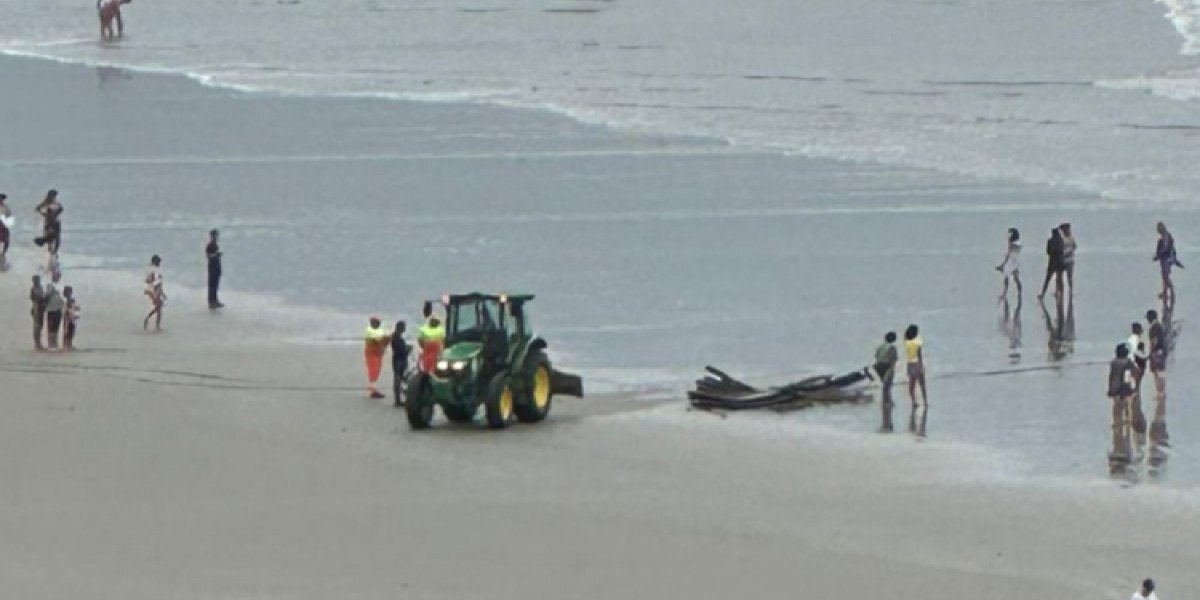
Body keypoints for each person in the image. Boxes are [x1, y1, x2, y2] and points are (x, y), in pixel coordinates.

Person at [873, 332, 899, 432]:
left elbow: (876, 357)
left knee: (885, 385)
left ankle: (887, 401)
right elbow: (893, 361)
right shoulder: (892, 348)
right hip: (886, 366)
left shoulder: (880, 346)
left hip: (878, 366)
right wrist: (891, 370)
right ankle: (886, 402)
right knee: (888, 385)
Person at [1153, 222, 1182, 305]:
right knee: (1164, 276)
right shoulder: (1165, 236)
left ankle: (1170, 293)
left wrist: (1158, 255)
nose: (1157, 230)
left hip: (1167, 259)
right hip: (1166, 258)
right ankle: (1165, 292)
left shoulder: (1166, 236)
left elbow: (1165, 248)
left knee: (1165, 276)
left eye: (1158, 229)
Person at [363, 316, 391, 399]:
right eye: (375, 322)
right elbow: (376, 340)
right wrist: (384, 341)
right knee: (373, 370)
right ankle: (373, 390)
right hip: (372, 352)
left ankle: (373, 388)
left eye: (378, 322)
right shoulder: (369, 330)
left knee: (377, 370)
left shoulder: (380, 330)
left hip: (378, 352)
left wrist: (385, 342)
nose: (377, 323)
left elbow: (383, 340)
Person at [995, 227, 1022, 300]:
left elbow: (1009, 253)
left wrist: (1003, 264)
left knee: (1008, 278)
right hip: (1015, 261)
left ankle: (1005, 294)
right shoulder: (1018, 243)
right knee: (1015, 278)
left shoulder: (1013, 243)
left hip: (1011, 261)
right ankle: (1019, 293)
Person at [1038, 228, 1065, 301]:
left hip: (1052, 262)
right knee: (1060, 279)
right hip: (1060, 261)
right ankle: (1061, 293)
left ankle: (1043, 294)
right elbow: (1063, 251)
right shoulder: (1061, 241)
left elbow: (1048, 252)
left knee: (1047, 279)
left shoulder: (1050, 241)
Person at [34, 189, 63, 255]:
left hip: (56, 222)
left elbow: (61, 209)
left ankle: (55, 252)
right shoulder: (46, 202)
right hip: (49, 221)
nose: (55, 197)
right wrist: (44, 214)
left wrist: (56, 213)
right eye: (54, 196)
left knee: (57, 238)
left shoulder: (56, 202)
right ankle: (50, 251)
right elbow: (37, 208)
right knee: (51, 237)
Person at [904, 324, 927, 406]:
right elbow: (919, 355)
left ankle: (914, 401)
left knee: (911, 386)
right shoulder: (917, 342)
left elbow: (905, 336)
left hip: (910, 364)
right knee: (922, 385)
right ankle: (925, 401)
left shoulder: (906, 342)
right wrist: (921, 365)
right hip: (917, 363)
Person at [1146, 309, 1167, 397]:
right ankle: (1161, 391)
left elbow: (1154, 340)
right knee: (1159, 372)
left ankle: (1160, 392)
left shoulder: (1154, 328)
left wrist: (1150, 352)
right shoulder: (1159, 326)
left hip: (1156, 352)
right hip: (1161, 351)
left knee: (1157, 372)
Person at [390, 320, 412, 404]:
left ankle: (399, 398)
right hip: (399, 360)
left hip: (399, 359)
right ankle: (398, 399)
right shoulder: (396, 337)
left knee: (400, 378)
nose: (404, 329)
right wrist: (407, 349)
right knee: (398, 378)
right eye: (403, 328)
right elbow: (400, 350)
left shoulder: (396, 336)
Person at [143, 255, 165, 331]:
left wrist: (161, 292)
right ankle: (149, 320)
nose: (160, 263)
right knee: (159, 306)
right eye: (159, 262)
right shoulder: (156, 270)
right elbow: (157, 282)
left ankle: (156, 325)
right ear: (156, 262)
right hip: (154, 289)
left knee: (159, 307)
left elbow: (147, 280)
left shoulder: (149, 269)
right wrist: (158, 292)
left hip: (150, 289)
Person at [206, 229, 224, 309]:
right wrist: (216, 254)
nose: (216, 237)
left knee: (215, 285)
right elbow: (209, 256)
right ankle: (211, 302)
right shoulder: (210, 245)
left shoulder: (215, 245)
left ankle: (215, 300)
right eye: (215, 235)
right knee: (212, 285)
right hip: (212, 267)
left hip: (216, 267)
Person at [44, 283, 64, 350]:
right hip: (51, 311)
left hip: (58, 311)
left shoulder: (58, 293)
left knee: (56, 328)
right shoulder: (48, 295)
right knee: (51, 328)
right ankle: (50, 344)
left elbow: (63, 300)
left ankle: (55, 344)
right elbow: (45, 299)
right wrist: (50, 293)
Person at [29, 275, 46, 351]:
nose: (37, 281)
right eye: (36, 280)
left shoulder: (41, 287)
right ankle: (37, 344)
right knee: (37, 326)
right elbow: (35, 297)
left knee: (40, 325)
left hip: (40, 308)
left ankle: (39, 343)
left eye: (38, 280)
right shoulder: (34, 288)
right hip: (36, 307)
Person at [1128, 322, 1147, 389]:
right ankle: (1136, 398)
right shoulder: (1136, 339)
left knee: (1136, 384)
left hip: (1137, 364)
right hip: (1137, 364)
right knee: (1136, 384)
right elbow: (1136, 352)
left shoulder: (1132, 339)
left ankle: (1137, 398)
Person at [1059, 222, 1076, 295]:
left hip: (1069, 260)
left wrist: (1068, 251)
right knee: (1060, 277)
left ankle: (1071, 291)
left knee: (1069, 277)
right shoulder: (1062, 238)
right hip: (1062, 260)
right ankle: (1060, 291)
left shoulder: (1071, 238)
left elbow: (1075, 246)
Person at [63, 286, 80, 350]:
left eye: (69, 291)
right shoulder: (64, 299)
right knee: (66, 331)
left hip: (72, 318)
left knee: (72, 332)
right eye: (67, 291)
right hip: (66, 318)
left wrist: (76, 314)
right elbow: (64, 308)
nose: (68, 293)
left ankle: (69, 344)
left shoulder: (72, 300)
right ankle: (65, 345)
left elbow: (77, 308)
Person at [0, 193, 11, 268]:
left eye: (1, 199)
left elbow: (9, 215)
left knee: (6, 242)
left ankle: (3, 256)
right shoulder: (5, 207)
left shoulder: (5, 207)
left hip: (4, 226)